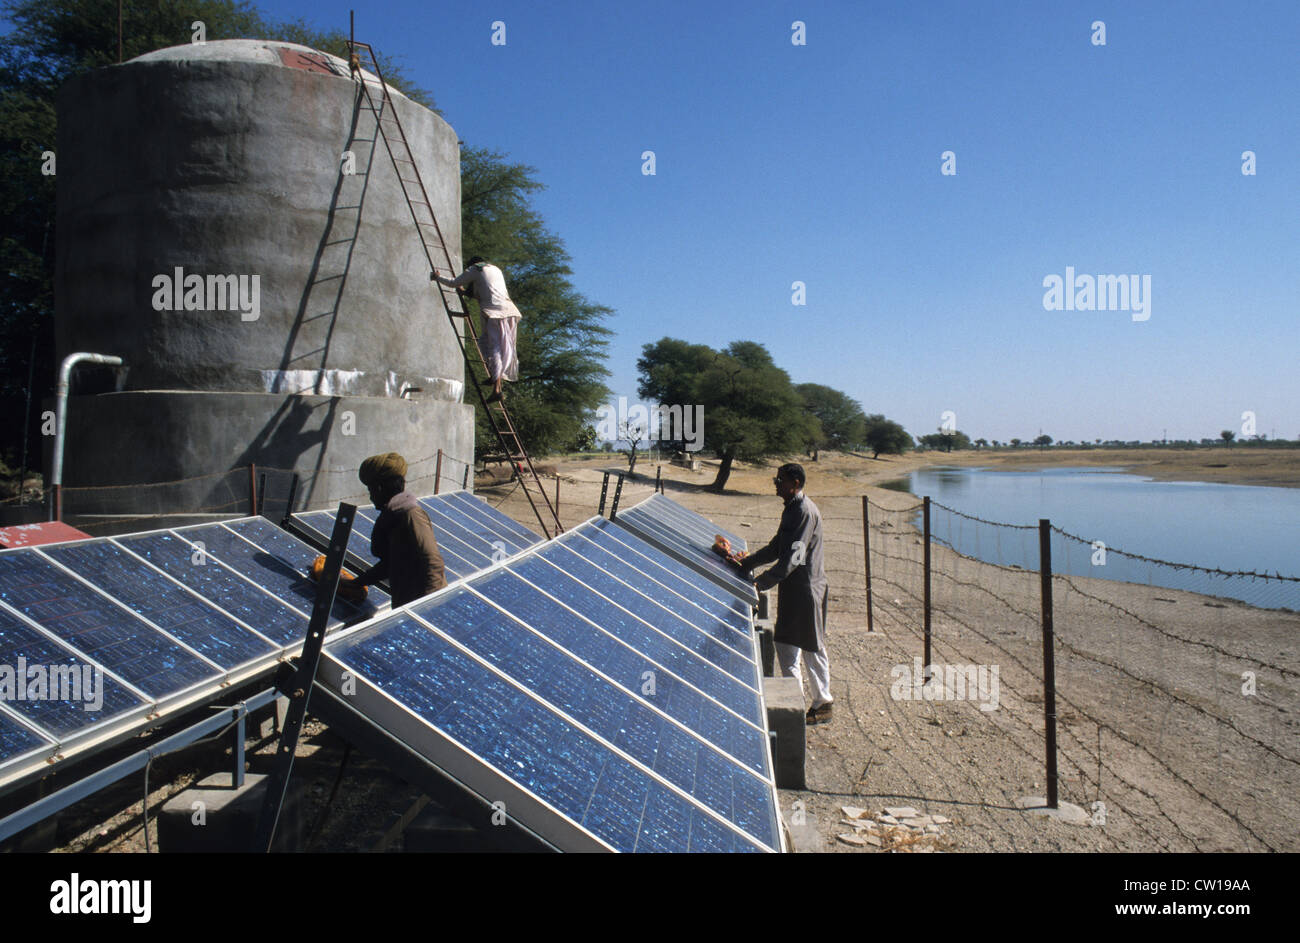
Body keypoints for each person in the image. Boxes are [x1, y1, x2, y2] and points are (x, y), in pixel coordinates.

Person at [734, 463, 832, 725]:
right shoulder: (791, 509)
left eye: (781, 480)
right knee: (786, 644)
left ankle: (823, 703)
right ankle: (796, 705)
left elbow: (795, 557)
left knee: (812, 645)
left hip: (806, 588)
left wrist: (763, 582)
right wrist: (747, 563)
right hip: (792, 588)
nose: (776, 484)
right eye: (776, 479)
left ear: (796, 483)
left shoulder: (804, 512)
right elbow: (777, 547)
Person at [348, 452, 447, 607]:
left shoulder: (410, 515)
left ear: (379, 488)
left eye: (370, 490)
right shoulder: (393, 517)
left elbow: (432, 562)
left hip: (420, 608)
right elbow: (389, 564)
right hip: (407, 604)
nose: (370, 497)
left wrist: (429, 608)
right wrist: (358, 583)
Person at [432, 256, 521, 403]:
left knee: (495, 349)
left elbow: (454, 283)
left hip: (495, 314)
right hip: (510, 312)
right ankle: (495, 378)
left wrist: (437, 278)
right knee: (503, 348)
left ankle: (497, 388)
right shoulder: (495, 270)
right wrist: (465, 292)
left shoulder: (474, 269)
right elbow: (487, 291)